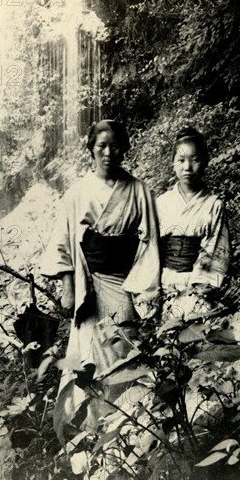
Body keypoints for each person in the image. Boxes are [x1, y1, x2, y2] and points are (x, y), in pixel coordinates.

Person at [40, 119, 160, 438]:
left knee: (127, 350)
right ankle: (100, 431)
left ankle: (133, 428)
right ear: (91, 149)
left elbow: (149, 244)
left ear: (126, 148)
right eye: (101, 146)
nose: (108, 152)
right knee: (93, 359)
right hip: (91, 287)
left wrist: (147, 293)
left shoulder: (139, 191)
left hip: (127, 284)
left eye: (115, 145)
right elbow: (63, 242)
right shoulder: (77, 193)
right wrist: (67, 288)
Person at [156, 127, 230, 321]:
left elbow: (214, 251)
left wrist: (197, 290)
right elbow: (150, 250)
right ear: (173, 164)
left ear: (205, 163)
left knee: (197, 329)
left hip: (197, 284)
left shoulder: (213, 204)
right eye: (181, 160)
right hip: (164, 282)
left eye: (195, 159)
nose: (187, 167)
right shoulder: (161, 203)